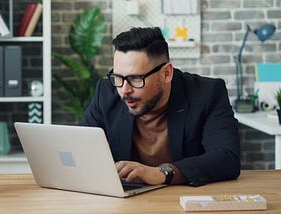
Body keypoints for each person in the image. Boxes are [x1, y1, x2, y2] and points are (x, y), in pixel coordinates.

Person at [79, 27, 240, 187]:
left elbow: (227, 158)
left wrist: (162, 173)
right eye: (118, 77)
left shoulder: (207, 93)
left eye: (135, 78)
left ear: (166, 73)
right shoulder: (106, 92)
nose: (124, 90)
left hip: (182, 200)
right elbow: (81, 149)